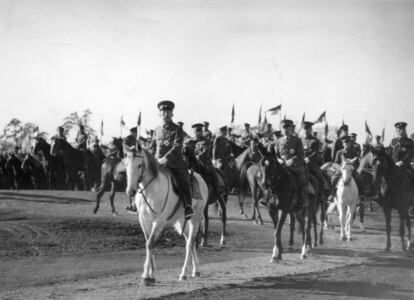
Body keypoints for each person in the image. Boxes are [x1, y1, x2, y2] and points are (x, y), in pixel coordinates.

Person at [149, 100, 194, 219]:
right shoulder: (156, 129)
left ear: (172, 114)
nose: (165, 114)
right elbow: (152, 147)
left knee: (183, 181)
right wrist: (150, 159)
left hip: (174, 164)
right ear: (160, 114)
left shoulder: (177, 129)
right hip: (157, 163)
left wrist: (165, 159)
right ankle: (136, 204)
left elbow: (177, 147)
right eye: (163, 112)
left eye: (168, 112)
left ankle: (188, 206)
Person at [262, 119, 309, 208]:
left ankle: (303, 199)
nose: (286, 130)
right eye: (284, 128)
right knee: (269, 178)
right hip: (282, 167)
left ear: (291, 129)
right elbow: (276, 154)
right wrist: (279, 160)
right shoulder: (278, 141)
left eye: (288, 128)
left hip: (295, 167)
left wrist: (291, 160)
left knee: (301, 179)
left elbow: (300, 155)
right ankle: (266, 198)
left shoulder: (297, 140)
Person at [188, 123, 220, 198]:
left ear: (201, 131)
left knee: (213, 173)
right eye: (195, 131)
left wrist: (195, 158)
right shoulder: (190, 141)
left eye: (199, 131)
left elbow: (204, 153)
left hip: (204, 162)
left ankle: (217, 190)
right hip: (192, 162)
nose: (197, 133)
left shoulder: (206, 141)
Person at [329, 136, 363, 202]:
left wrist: (354, 168)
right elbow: (336, 162)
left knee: (359, 178)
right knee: (334, 179)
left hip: (351, 170)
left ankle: (361, 195)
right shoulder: (339, 152)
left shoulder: (354, 152)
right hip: (342, 170)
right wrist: (340, 168)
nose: (347, 144)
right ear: (343, 144)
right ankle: (332, 195)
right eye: (345, 143)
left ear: (350, 143)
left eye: (348, 143)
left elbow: (357, 163)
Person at [302, 121, 325, 198]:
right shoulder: (299, 140)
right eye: (304, 129)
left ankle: (322, 196)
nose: (306, 131)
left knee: (320, 178)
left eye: (308, 129)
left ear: (311, 129)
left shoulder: (315, 141)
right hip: (300, 165)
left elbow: (316, 153)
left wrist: (308, 158)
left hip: (312, 166)